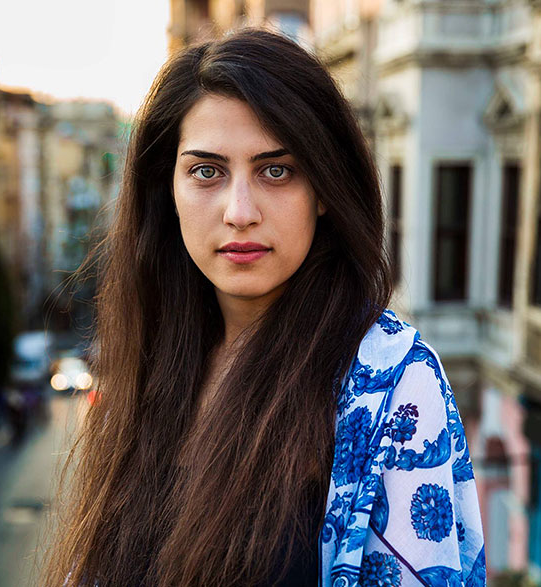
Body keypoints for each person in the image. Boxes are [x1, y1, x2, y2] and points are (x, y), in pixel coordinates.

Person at [42, 27, 485, 587]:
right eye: (207, 171)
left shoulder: (392, 384)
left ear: (323, 189)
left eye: (277, 170)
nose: (240, 211)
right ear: (167, 188)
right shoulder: (155, 358)